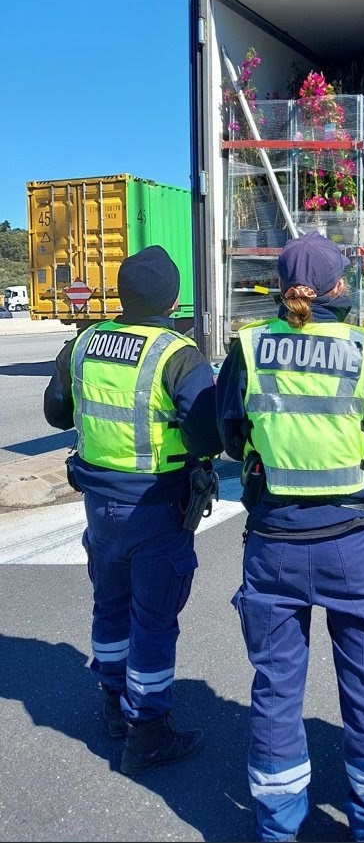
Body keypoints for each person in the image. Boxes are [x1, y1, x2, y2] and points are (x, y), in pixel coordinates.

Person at [216, 231, 364, 843]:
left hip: (273, 539)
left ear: (281, 288)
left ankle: (278, 829)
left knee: (276, 687)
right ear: (340, 288)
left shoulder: (248, 348)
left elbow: (229, 437)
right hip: (351, 543)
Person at [43, 245, 221, 777]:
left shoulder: (83, 344)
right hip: (158, 506)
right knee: (154, 619)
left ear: (122, 294)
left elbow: (56, 414)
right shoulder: (177, 354)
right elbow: (209, 433)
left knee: (111, 605)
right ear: (172, 298)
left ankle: (112, 704)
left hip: (100, 507)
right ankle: (146, 729)